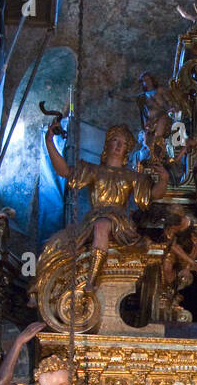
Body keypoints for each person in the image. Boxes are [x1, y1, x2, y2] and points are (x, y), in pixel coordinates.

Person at [35, 121, 170, 295]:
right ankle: (36, 291)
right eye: (115, 140)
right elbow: (65, 172)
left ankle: (92, 280)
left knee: (102, 225)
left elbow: (153, 194)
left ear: (127, 149)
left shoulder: (131, 176)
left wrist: (164, 180)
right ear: (108, 144)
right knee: (55, 242)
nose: (119, 146)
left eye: (123, 143)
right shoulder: (94, 170)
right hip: (91, 219)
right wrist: (49, 143)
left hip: (118, 221)